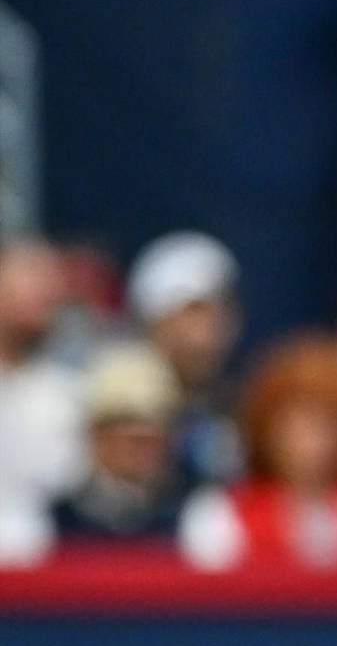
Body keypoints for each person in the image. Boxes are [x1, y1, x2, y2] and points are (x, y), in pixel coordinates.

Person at [178, 335, 337, 572]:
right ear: (266, 428)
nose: (316, 442)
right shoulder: (221, 517)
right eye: (301, 425)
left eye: (330, 424)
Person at [125, 230, 244, 485]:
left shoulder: (236, 408)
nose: (213, 327)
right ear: (154, 321)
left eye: (222, 309)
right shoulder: (118, 412)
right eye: (195, 312)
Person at [50, 344, 191, 546]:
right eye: (125, 423)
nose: (145, 444)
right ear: (97, 435)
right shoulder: (60, 520)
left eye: (157, 428)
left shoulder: (188, 515)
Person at [0, 237, 85, 562]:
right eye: (28, 280)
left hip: (47, 575)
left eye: (49, 287)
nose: (43, 295)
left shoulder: (67, 394)